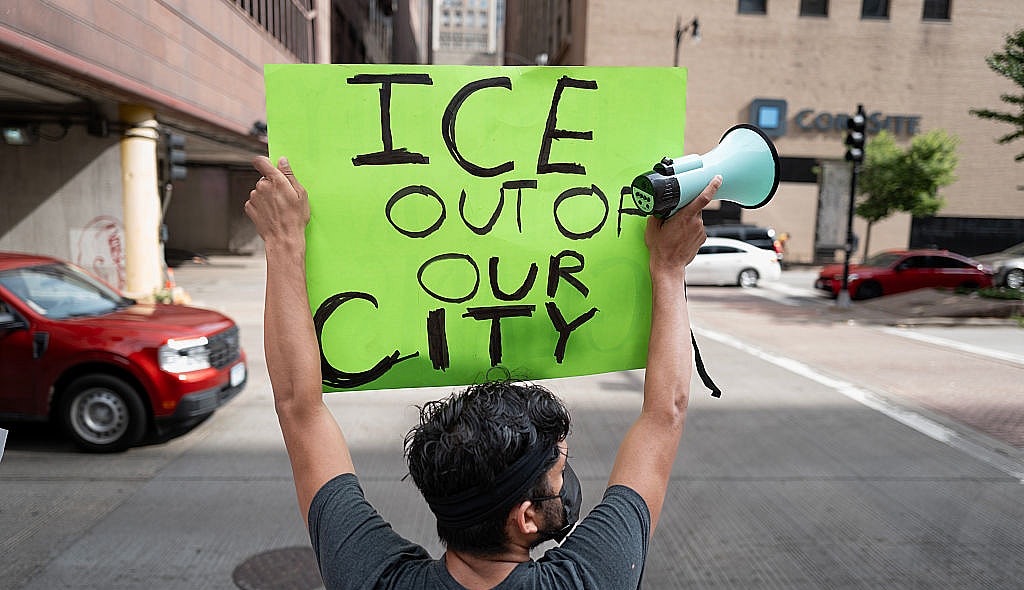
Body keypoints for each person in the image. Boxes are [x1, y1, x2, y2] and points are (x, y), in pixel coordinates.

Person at [245, 155, 720, 589]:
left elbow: (298, 407)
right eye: (558, 469)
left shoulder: (372, 579)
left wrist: (283, 242)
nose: (567, 474)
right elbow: (665, 412)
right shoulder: (592, 579)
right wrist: (668, 268)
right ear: (527, 518)